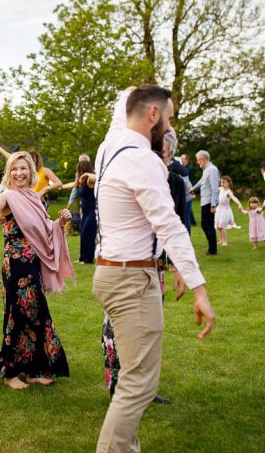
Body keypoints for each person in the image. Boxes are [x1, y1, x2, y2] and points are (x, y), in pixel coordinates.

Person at [92, 85, 215, 452]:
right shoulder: (141, 158)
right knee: (139, 383)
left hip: (116, 272)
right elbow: (169, 224)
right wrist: (200, 289)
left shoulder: (110, 147)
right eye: (170, 115)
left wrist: (138, 94)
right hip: (131, 278)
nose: (171, 124)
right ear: (153, 115)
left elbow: (127, 102)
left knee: (134, 379)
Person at [0, 151, 73, 389]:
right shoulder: (6, 197)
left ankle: (34, 371)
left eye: (23, 168)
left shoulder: (34, 197)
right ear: (9, 173)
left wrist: (61, 222)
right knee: (19, 313)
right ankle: (9, 372)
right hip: (15, 265)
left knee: (36, 313)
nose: (19, 173)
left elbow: (46, 229)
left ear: (31, 172)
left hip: (32, 263)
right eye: (14, 169)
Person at [62, 160, 97, 264]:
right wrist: (60, 186)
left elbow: (100, 179)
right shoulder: (80, 181)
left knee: (88, 234)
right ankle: (82, 258)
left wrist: (87, 174)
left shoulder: (90, 180)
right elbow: (72, 184)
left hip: (92, 212)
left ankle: (89, 259)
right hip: (85, 213)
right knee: (83, 234)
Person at [190, 150, 220, 256]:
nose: (197, 162)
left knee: (208, 225)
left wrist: (213, 205)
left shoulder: (212, 170)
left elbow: (215, 188)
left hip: (209, 202)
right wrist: (193, 189)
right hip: (204, 202)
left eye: (198, 160)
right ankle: (212, 248)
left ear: (203, 158)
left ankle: (213, 250)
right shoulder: (206, 170)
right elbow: (201, 181)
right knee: (204, 225)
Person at [214, 176, 243, 246]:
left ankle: (225, 241)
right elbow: (213, 189)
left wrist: (239, 204)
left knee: (222, 225)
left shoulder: (228, 191)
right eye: (221, 182)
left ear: (229, 183)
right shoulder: (220, 189)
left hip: (225, 210)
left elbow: (234, 198)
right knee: (217, 226)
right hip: (219, 209)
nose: (222, 184)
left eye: (224, 182)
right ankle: (220, 240)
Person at [179, 153, 197, 227]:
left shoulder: (190, 168)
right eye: (181, 158)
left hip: (189, 190)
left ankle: (192, 221)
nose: (181, 160)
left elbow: (192, 180)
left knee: (188, 208)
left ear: (187, 160)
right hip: (183, 192)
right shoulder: (180, 168)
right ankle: (192, 221)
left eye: (182, 158)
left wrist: (193, 191)